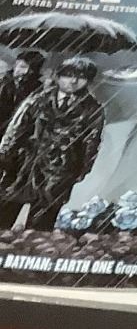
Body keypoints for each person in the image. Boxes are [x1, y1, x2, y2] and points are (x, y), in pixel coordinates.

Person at [0, 55, 104, 229]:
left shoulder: (92, 109)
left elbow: (91, 142)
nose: (73, 81)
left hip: (58, 172)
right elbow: (16, 129)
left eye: (81, 77)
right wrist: (5, 155)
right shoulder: (38, 99)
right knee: (4, 216)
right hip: (22, 166)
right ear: (59, 76)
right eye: (69, 75)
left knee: (40, 227)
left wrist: (81, 171)